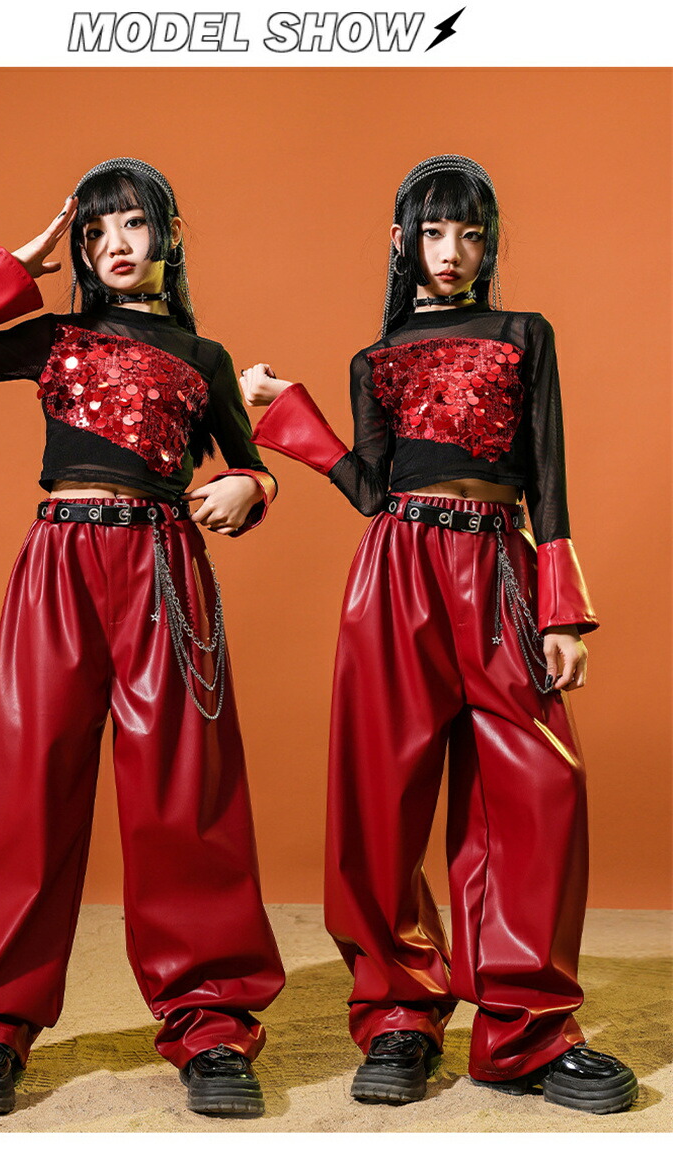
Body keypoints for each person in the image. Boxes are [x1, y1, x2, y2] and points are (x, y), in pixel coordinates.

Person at [241, 154, 637, 1115]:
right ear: (402, 241)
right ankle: (397, 1017)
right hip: (397, 568)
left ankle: (524, 1029)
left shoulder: (523, 334)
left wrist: (562, 609)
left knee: (536, 788)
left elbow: (549, 473)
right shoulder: (376, 359)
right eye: (432, 232)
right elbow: (370, 490)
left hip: (499, 564)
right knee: (380, 796)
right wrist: (289, 414)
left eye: (469, 234)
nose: (451, 252)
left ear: (489, 244)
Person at [0, 157, 285, 1119]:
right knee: (25, 785)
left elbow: (249, 464)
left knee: (185, 795)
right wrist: (19, 266)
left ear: (170, 234)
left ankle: (211, 1025)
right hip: (60, 561)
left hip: (163, 566)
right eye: (96, 230)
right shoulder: (57, 336)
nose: (116, 244)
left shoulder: (202, 357)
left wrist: (256, 484)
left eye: (135, 223)